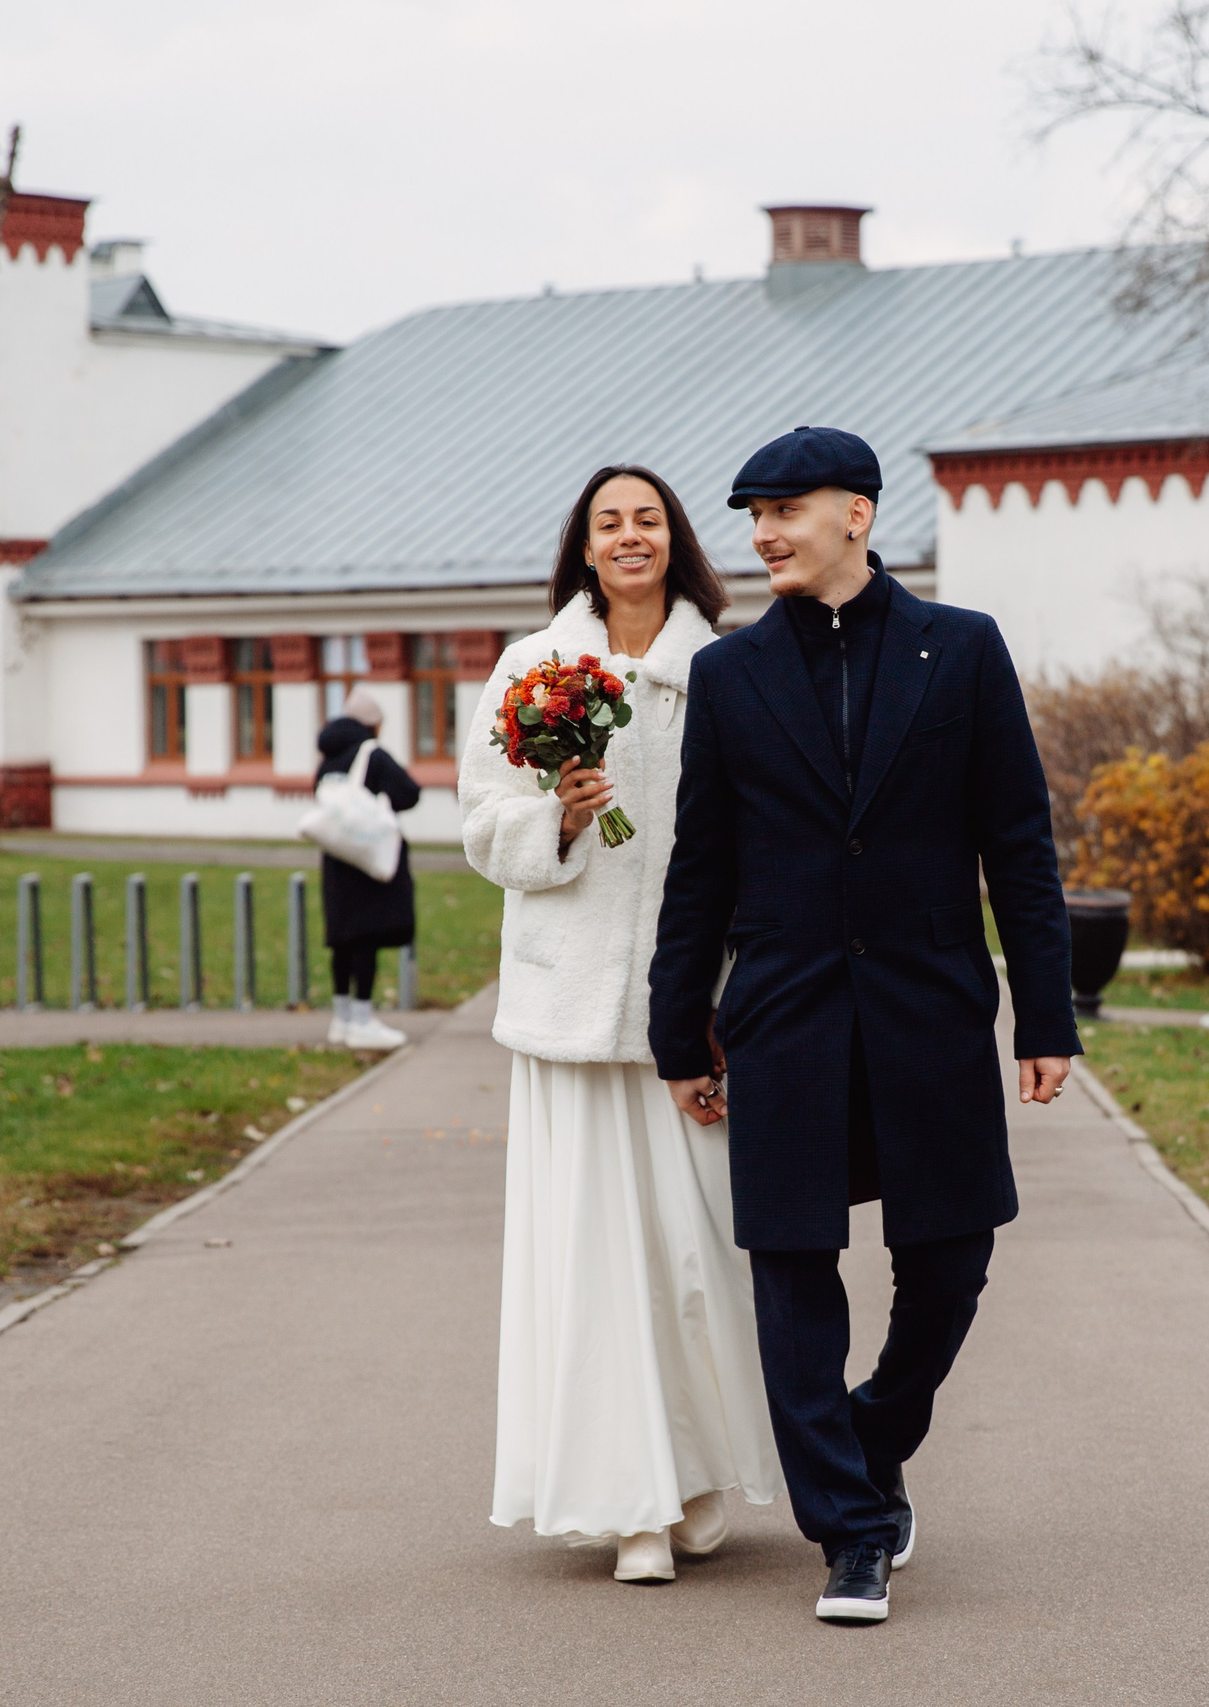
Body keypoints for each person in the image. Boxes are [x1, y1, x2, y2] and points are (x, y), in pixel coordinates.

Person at [648, 426, 1078, 1625]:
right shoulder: (730, 678)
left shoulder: (965, 652)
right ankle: (848, 1531)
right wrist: (678, 1031)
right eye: (752, 514)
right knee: (789, 1268)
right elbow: (700, 870)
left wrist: (1045, 1015)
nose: (764, 532)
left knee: (949, 1261)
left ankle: (871, 1433)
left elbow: (1021, 852)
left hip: (930, 1011)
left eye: (785, 509)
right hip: (781, 1016)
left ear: (859, 513)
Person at [463, 464, 783, 1583]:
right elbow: (480, 824)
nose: (629, 536)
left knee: (698, 1256)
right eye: (609, 522)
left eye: (647, 518)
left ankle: (695, 1481)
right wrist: (557, 820)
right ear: (584, 547)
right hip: (566, 1012)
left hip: (690, 1014)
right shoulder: (532, 669)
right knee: (591, 1263)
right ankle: (626, 1505)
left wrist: (741, 993)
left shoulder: (733, 669)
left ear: (675, 539)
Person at [315, 689, 418, 1051]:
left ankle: (341, 1019)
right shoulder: (372, 754)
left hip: (337, 856)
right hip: (368, 858)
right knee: (365, 938)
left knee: (342, 938)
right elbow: (409, 793)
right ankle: (362, 1019)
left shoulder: (328, 756)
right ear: (373, 724)